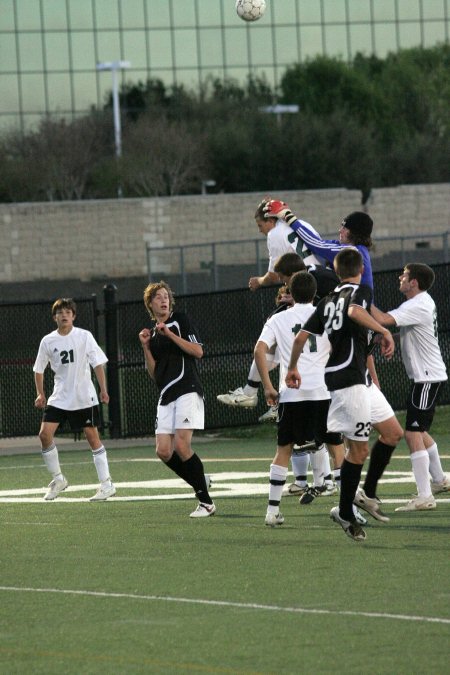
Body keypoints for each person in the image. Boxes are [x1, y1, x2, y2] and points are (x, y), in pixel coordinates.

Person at [286, 249, 395, 541]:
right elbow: (355, 312)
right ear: (361, 268)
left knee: (391, 432)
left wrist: (292, 368)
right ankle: (346, 509)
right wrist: (384, 332)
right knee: (358, 451)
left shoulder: (326, 300)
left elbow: (300, 338)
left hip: (353, 379)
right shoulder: (360, 292)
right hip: (349, 381)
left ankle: (364, 495)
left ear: (336, 271)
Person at [254, 270, 343, 526]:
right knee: (337, 449)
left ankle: (272, 511)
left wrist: (268, 387)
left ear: (289, 293)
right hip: (323, 391)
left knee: (283, 450)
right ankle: (347, 506)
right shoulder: (326, 316)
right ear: (315, 292)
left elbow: (259, 351)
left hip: (291, 393)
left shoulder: (279, 319)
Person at [217, 198, 322, 411]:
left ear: (270, 219)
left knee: (271, 336)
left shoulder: (275, 234)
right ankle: (264, 393)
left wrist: (259, 281)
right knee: (285, 345)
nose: (260, 231)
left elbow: (275, 275)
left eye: (260, 225)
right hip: (318, 287)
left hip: (305, 290)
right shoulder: (304, 225)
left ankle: (254, 392)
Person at [370, 263, 449, 511]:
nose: (400, 277)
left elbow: (382, 319)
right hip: (426, 377)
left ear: (414, 282)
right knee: (419, 429)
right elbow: (407, 330)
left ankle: (425, 496)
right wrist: (388, 337)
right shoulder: (418, 303)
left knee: (413, 432)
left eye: (404, 275)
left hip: (427, 377)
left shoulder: (418, 304)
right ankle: (439, 480)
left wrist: (358, 295)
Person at [138, 281, 215, 518]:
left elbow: (198, 351)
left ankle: (206, 502)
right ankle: (199, 478)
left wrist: (170, 334)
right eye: (158, 297)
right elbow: (154, 373)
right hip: (166, 394)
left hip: (187, 388)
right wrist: (146, 347)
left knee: (182, 446)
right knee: (163, 451)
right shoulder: (152, 333)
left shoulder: (180, 320)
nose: (163, 300)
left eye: (166, 296)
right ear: (150, 304)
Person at [33, 298, 115, 501]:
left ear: (73, 316)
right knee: (44, 435)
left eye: (68, 312)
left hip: (83, 396)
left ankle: (107, 484)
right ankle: (58, 479)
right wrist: (40, 393)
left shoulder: (84, 336)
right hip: (59, 397)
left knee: (92, 437)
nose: (64, 315)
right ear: (55, 317)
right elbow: (38, 369)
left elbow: (97, 363)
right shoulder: (48, 341)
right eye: (60, 312)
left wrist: (103, 389)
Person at [263, 199, 374, 288]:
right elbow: (318, 243)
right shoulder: (352, 248)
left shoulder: (352, 252)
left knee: (314, 271)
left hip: (356, 309)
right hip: (350, 306)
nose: (340, 230)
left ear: (354, 233)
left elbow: (316, 244)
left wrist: (288, 216)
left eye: (345, 228)